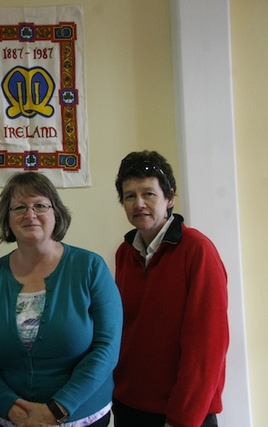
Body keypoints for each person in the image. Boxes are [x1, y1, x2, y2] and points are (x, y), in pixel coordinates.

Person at [0, 171, 123, 427]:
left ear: (56, 213)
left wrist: (57, 409)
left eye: (40, 205)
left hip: (80, 418)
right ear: (7, 217)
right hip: (7, 419)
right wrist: (10, 408)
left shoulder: (91, 268)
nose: (30, 214)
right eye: (19, 207)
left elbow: (107, 348)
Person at [112, 151, 229, 427]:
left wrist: (182, 419)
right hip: (129, 408)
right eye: (130, 196)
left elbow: (207, 346)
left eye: (148, 194)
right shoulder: (124, 253)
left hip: (181, 415)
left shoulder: (197, 250)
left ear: (169, 198)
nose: (139, 203)